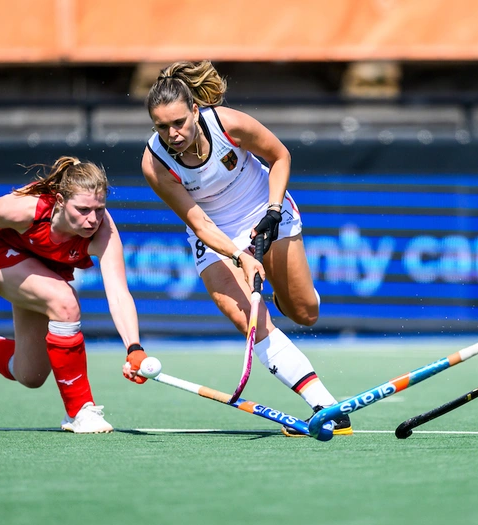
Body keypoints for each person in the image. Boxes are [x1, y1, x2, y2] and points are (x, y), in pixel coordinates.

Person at [140, 60, 352, 436]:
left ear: (195, 110)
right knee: (250, 320)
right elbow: (200, 224)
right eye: (161, 127)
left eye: (179, 122)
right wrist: (240, 256)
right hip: (215, 233)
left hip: (264, 207)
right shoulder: (154, 163)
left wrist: (273, 211)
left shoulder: (228, 124)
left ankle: (284, 293)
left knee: (305, 313)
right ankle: (326, 406)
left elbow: (280, 156)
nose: (173, 134)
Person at [0, 157, 150, 434]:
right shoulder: (28, 209)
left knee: (30, 374)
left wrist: (133, 348)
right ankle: (79, 411)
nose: (92, 219)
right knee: (65, 302)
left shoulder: (104, 232)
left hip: (43, 267)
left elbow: (119, 293)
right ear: (61, 201)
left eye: (99, 209)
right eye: (83, 209)